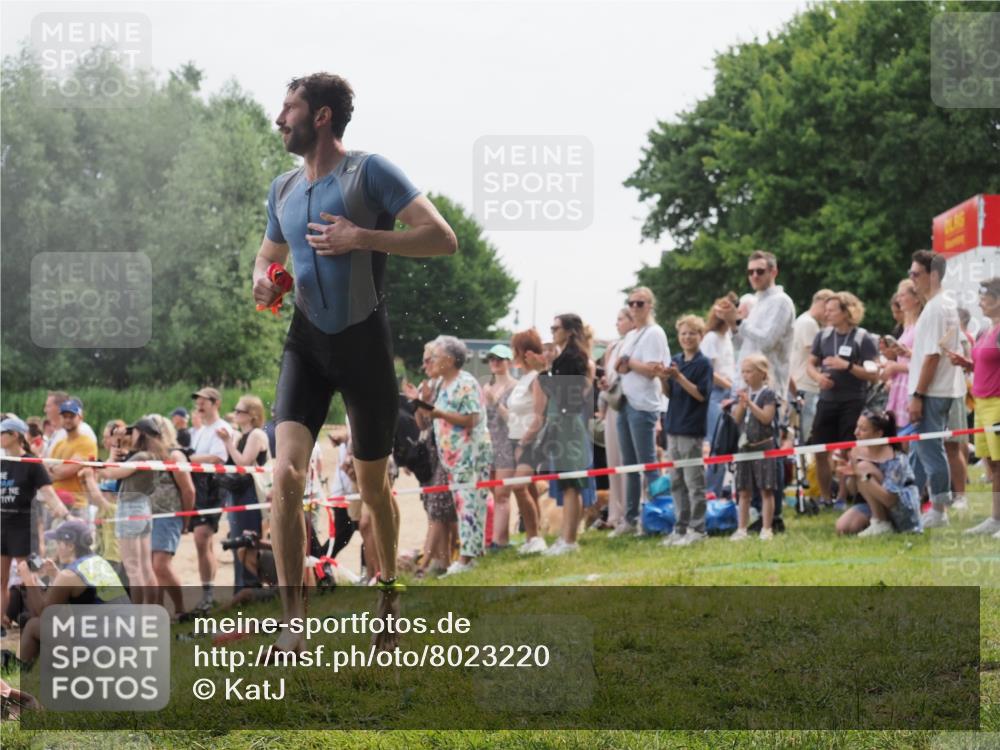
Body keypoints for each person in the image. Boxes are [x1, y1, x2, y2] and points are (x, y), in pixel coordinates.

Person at [253, 73, 457, 651]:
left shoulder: (370, 171)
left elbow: (440, 238)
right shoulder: (283, 188)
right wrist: (267, 284)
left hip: (365, 347)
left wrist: (361, 237)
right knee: (284, 476)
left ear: (320, 116)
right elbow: (265, 259)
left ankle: (388, 594)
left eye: (288, 107)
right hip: (305, 346)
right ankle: (294, 620)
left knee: (372, 485)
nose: (278, 118)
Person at [415, 336, 493, 575]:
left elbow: (472, 418)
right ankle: (469, 555)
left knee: (470, 505)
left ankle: (467, 560)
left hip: (469, 456)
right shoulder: (441, 385)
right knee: (461, 506)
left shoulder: (465, 382)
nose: (432, 362)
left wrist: (439, 414)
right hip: (452, 459)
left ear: (449, 360)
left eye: (435, 357)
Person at [525, 315, 595, 556]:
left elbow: (566, 396)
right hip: (563, 423)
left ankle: (569, 539)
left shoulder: (571, 357)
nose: (552, 331)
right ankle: (566, 537)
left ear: (569, 331)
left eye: (556, 328)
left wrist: (542, 373)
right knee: (567, 484)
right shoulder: (566, 356)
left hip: (568, 424)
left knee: (571, 485)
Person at [16, 520, 128, 664]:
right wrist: (55, 575)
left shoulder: (69, 575)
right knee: (64, 620)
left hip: (103, 647)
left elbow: (44, 614)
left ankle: (19, 669)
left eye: (58, 543)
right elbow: (84, 593)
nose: (56, 548)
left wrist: (28, 580)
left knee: (33, 625)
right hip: (125, 639)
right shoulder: (98, 561)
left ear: (69, 545)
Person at [805, 292, 880, 507]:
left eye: (832, 309)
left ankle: (843, 496)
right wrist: (819, 377)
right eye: (825, 309)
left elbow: (873, 373)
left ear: (848, 312)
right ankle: (825, 496)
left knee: (849, 449)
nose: (826, 313)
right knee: (820, 449)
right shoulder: (823, 336)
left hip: (852, 400)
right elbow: (810, 364)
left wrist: (846, 366)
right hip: (827, 400)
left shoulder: (862, 338)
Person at [907, 250, 965, 528]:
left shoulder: (936, 308)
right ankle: (914, 504)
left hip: (932, 391)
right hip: (940, 389)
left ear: (933, 275)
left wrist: (918, 394)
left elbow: (932, 357)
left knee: (931, 450)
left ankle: (939, 510)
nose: (911, 280)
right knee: (922, 449)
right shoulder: (945, 305)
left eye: (915, 274)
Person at [0, 416, 70, 632]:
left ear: (15, 436)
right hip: (3, 526)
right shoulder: (2, 461)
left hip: (23, 527)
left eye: (2, 433)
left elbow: (48, 493)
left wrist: (64, 514)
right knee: (1, 580)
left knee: (28, 577)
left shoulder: (31, 463)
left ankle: (47, 618)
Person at [612, 287, 670, 536]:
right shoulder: (632, 334)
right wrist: (620, 369)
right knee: (630, 465)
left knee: (648, 463)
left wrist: (630, 364)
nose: (635, 307)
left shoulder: (655, 333)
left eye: (640, 303)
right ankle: (631, 518)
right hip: (625, 401)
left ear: (650, 306)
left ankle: (658, 514)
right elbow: (628, 367)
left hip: (643, 404)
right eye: (631, 303)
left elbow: (655, 369)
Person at [946, 278, 1000, 538]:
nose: (979, 301)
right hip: (981, 403)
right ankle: (995, 519)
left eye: (984, 296)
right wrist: (967, 363)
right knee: (992, 465)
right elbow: (986, 365)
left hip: (998, 404)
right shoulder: (983, 331)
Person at [95, 418, 165, 604]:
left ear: (141, 434)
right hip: (143, 506)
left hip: (130, 507)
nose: (129, 435)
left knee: (133, 569)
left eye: (132, 432)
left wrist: (100, 460)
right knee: (144, 567)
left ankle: (138, 616)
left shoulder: (141, 457)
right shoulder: (151, 455)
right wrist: (117, 444)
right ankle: (152, 611)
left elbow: (111, 472)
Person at [658, 316, 712, 546]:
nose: (687, 337)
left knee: (693, 481)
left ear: (700, 336)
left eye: (692, 333)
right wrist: (663, 379)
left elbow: (701, 394)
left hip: (691, 429)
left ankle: (697, 529)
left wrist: (678, 377)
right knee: (676, 481)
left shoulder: (703, 364)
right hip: (673, 426)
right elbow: (670, 393)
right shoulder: (676, 360)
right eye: (683, 334)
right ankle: (680, 528)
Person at [716, 251, 796, 403]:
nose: (754, 275)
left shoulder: (781, 302)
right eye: (750, 272)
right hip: (745, 386)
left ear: (774, 272)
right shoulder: (756, 301)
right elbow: (742, 345)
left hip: (769, 389)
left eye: (760, 271)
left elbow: (767, 342)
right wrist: (731, 322)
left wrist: (738, 321)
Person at [408, 342, 458, 576]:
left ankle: (426, 563)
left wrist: (423, 402)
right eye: (425, 360)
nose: (425, 365)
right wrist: (419, 403)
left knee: (440, 508)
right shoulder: (428, 386)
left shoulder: (449, 385)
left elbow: (441, 418)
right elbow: (423, 424)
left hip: (446, 451)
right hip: (430, 454)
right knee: (434, 508)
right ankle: (442, 561)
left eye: (430, 359)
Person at [833, 411, 923, 537]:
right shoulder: (856, 451)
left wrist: (862, 474)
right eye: (857, 427)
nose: (856, 433)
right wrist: (851, 474)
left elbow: (890, 500)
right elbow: (853, 491)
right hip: (872, 504)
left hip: (901, 508)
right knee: (843, 528)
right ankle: (878, 521)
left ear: (879, 434)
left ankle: (881, 523)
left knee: (864, 467)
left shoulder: (896, 459)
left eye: (863, 429)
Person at [218, 395, 270, 592]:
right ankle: (241, 586)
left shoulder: (256, 435)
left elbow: (244, 463)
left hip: (251, 494)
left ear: (252, 415)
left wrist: (228, 442)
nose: (236, 414)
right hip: (238, 493)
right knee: (237, 539)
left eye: (240, 411)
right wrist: (229, 442)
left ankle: (251, 585)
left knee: (249, 539)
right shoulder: (241, 436)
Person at [729, 355, 780, 541]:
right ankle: (742, 528)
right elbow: (737, 419)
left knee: (766, 489)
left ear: (761, 374)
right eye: (743, 371)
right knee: (743, 490)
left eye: (749, 371)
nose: (745, 375)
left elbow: (766, 418)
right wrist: (742, 403)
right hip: (745, 447)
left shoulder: (768, 394)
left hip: (763, 447)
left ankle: (766, 528)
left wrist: (750, 403)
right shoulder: (745, 392)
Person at [188, 387, 230, 611]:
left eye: (204, 401)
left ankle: (208, 594)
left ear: (216, 403)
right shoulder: (201, 430)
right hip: (199, 486)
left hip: (212, 487)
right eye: (198, 402)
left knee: (202, 538)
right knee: (204, 542)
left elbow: (217, 458)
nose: (199, 405)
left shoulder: (221, 428)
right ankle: (209, 592)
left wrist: (188, 458)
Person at [506, 330, 547, 554]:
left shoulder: (537, 379)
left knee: (518, 486)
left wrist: (524, 441)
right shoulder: (523, 379)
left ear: (524, 352)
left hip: (530, 441)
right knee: (528, 488)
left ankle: (535, 536)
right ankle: (533, 536)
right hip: (516, 439)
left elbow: (539, 416)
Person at [596, 308, 635, 529]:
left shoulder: (633, 343)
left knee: (625, 460)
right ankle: (615, 512)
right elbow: (609, 379)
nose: (617, 323)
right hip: (612, 405)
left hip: (628, 405)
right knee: (613, 460)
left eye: (621, 319)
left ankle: (628, 512)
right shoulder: (613, 347)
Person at [701, 294, 738, 498]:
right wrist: (728, 384)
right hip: (717, 394)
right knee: (716, 443)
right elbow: (708, 370)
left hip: (729, 393)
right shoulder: (712, 338)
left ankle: (718, 488)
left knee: (725, 444)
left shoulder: (729, 337)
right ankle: (710, 490)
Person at [483, 344, 518, 548]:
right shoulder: (487, 387)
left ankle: (497, 542)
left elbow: (514, 420)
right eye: (492, 358)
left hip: (507, 445)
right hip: (490, 445)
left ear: (509, 362)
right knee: (495, 494)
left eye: (500, 358)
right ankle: (501, 539)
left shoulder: (516, 387)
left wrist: (495, 401)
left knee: (503, 493)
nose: (495, 362)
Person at [791, 289, 835, 444]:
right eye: (828, 309)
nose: (829, 314)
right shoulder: (809, 324)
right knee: (805, 433)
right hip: (806, 385)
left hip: (803, 383)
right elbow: (817, 356)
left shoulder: (804, 321)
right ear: (821, 303)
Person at [46, 399, 98, 515]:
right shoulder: (59, 444)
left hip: (76, 504)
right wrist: (57, 469)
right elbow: (47, 474)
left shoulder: (86, 443)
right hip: (54, 504)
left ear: (80, 417)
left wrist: (54, 469)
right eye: (65, 416)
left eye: (71, 416)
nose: (68, 420)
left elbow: (66, 471)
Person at [882, 280, 922, 429]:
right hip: (901, 385)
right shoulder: (908, 326)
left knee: (909, 437)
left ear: (917, 298)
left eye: (902, 295)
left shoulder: (920, 325)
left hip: (912, 387)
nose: (898, 300)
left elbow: (925, 363)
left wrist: (895, 367)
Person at [41, 392, 97, 457]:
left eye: (48, 406)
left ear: (59, 408)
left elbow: (76, 465)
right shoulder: (59, 438)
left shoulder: (82, 430)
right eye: (65, 416)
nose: (45, 410)